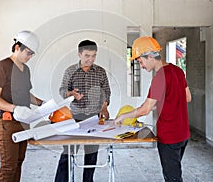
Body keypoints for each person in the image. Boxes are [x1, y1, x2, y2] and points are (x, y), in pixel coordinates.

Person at [114, 36, 191, 182]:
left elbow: (145, 109)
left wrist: (123, 116)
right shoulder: (177, 70)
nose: (141, 66)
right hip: (183, 134)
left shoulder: (160, 77)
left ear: (150, 56)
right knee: (174, 171)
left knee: (173, 178)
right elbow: (187, 97)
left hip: (170, 137)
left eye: (140, 61)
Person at [0, 30, 44, 182]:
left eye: (32, 54)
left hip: (23, 122)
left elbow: (26, 93)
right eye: (28, 52)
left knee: (18, 163)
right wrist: (15, 108)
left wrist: (42, 103)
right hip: (7, 122)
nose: (30, 57)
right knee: (8, 167)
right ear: (17, 47)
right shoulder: (1, 67)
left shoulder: (25, 70)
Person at [55, 39, 111, 182]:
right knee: (68, 152)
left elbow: (106, 92)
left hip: (95, 117)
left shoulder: (100, 72)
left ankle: (88, 180)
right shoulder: (70, 71)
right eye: (87, 55)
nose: (90, 59)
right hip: (74, 117)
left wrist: (104, 107)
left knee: (91, 154)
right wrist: (71, 94)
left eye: (93, 56)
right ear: (79, 54)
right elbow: (62, 90)